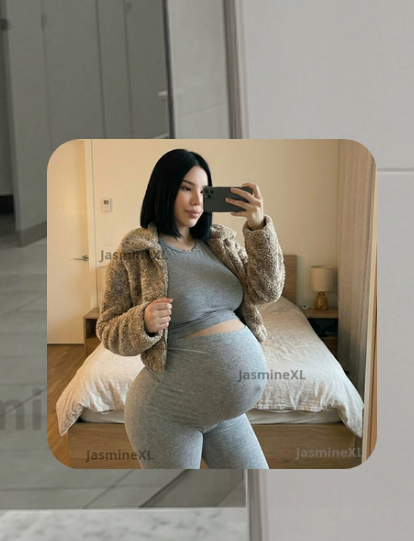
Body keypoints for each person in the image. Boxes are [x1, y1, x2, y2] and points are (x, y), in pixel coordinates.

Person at [96, 148, 285, 468]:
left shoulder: (220, 243)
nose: (197, 200)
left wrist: (257, 227)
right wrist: (142, 321)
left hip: (225, 415)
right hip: (167, 413)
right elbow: (107, 329)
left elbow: (267, 290)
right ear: (164, 189)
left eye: (204, 191)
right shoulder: (135, 252)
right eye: (186, 188)